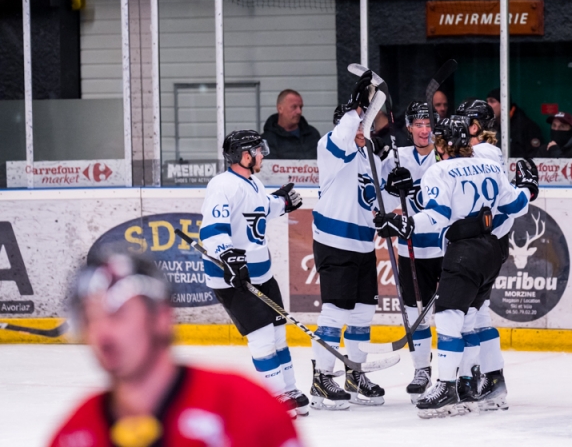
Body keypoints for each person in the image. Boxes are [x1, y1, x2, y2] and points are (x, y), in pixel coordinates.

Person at [374, 115, 539, 419]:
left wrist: (403, 223)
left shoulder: (440, 170)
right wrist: (528, 187)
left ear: (442, 143)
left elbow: (437, 216)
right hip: (491, 249)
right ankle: (467, 384)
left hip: (464, 251)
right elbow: (516, 205)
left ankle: (446, 387)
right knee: (471, 318)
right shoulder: (489, 164)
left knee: (449, 317)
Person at [50, 252, 301, 447]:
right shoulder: (75, 433)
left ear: (161, 317)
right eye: (91, 319)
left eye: (117, 314)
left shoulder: (245, 408)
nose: (102, 333)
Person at [199, 130, 307, 416]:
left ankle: (289, 389)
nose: (263, 155)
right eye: (259, 151)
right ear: (245, 155)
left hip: (261, 273)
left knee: (278, 335)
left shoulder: (253, 183)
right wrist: (228, 255)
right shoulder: (222, 185)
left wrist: (283, 203)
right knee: (262, 338)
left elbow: (260, 209)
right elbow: (211, 229)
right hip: (233, 277)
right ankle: (274, 399)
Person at [310, 70, 387, 410]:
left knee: (363, 312)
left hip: (363, 244)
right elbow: (343, 137)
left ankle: (354, 373)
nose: (361, 128)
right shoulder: (329, 147)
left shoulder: (369, 157)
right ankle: (322, 378)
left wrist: (395, 192)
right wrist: (356, 110)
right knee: (336, 310)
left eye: (363, 123)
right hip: (335, 240)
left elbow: (378, 201)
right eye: (357, 122)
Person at [381, 101, 442, 402]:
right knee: (414, 314)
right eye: (418, 124)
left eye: (428, 123)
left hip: (445, 248)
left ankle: (454, 372)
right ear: (408, 128)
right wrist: (392, 194)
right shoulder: (396, 158)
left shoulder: (446, 157)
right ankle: (422, 370)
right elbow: (378, 199)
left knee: (452, 314)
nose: (424, 130)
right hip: (411, 251)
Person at [454, 98, 513, 411]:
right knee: (478, 312)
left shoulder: (481, 153)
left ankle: (468, 378)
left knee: (467, 314)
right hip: (491, 241)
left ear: (475, 125)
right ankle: (491, 378)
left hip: (482, 242)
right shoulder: (487, 151)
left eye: (461, 121)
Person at [262, 89, 321, 159]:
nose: (299, 111)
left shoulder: (312, 134)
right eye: (294, 107)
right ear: (280, 108)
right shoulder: (267, 140)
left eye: (300, 107)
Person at [486, 89, 543, 158]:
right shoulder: (488, 125)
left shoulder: (526, 127)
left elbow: (534, 157)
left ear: (504, 103)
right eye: (487, 101)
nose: (488, 105)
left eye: (492, 101)